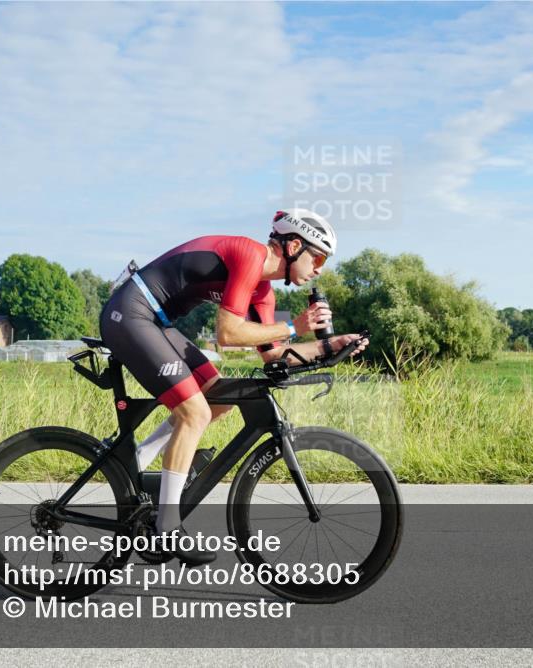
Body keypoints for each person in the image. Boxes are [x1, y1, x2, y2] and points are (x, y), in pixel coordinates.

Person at [99, 209, 369, 565]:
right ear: (292, 246)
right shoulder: (248, 255)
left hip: (157, 323)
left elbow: (272, 355)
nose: (319, 268)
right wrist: (295, 327)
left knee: (218, 399)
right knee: (194, 413)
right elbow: (228, 335)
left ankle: (136, 458)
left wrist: (329, 346)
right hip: (130, 313)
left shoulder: (264, 293)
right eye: (317, 257)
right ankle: (166, 528)